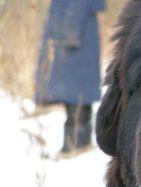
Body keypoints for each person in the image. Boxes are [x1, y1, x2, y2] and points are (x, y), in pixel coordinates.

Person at [35, 0, 105, 155]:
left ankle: (76, 145)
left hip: (76, 40)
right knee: (75, 93)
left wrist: (67, 32)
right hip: (76, 35)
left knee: (77, 92)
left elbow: (78, 5)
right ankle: (75, 144)